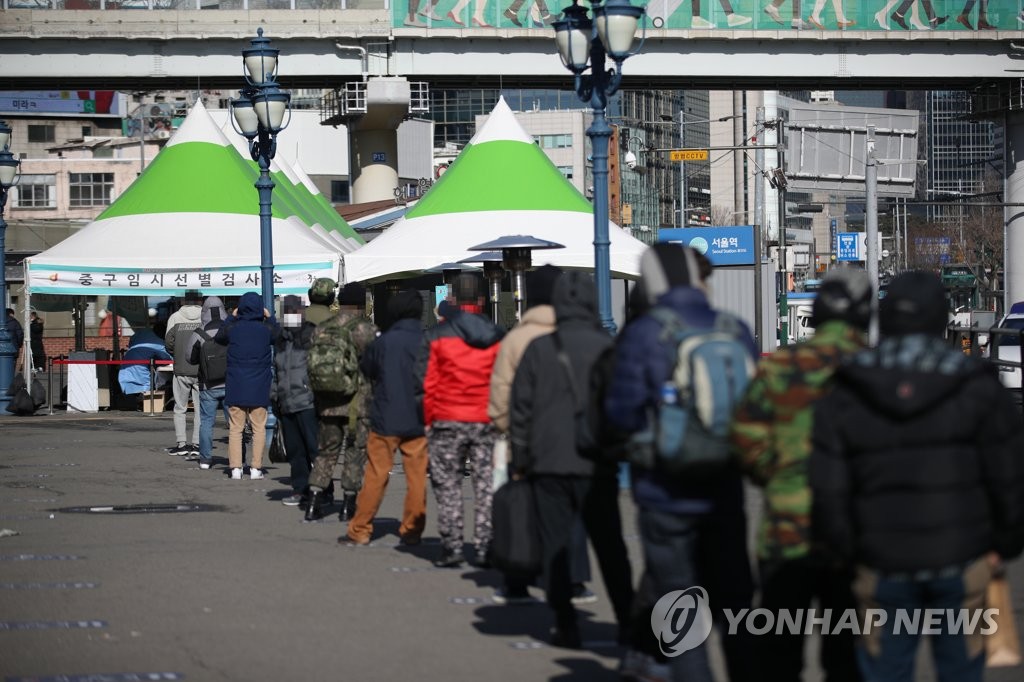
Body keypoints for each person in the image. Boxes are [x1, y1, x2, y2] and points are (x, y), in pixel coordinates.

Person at [810, 271, 1024, 682]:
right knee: (961, 669)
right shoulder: (978, 386)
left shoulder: (847, 388)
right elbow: (1008, 475)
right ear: (941, 320)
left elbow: (828, 487)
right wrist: (1005, 543)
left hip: (878, 559)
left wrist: (843, 550)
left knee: (884, 671)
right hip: (962, 558)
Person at [604, 243, 756, 682]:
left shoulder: (645, 334)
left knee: (682, 615)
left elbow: (621, 413)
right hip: (725, 489)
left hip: (665, 492)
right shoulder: (734, 328)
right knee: (737, 609)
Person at [730, 268, 872, 682]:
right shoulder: (874, 368)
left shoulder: (784, 365)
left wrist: (776, 474)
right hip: (854, 535)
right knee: (847, 655)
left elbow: (743, 435)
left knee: (777, 652)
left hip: (785, 533)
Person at [509, 271, 635, 649]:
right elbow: (624, 406)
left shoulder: (538, 349)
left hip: (547, 463)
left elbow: (520, 409)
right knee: (611, 545)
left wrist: (520, 459)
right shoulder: (608, 347)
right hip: (597, 462)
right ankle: (627, 621)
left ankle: (566, 623)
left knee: (556, 546)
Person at [488, 265, 596, 606]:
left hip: (526, 440)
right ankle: (574, 581)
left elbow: (502, 394)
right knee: (572, 514)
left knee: (520, 509)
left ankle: (517, 578)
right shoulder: (587, 334)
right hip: (578, 443)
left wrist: (508, 432)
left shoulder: (517, 338)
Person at [416, 273, 504, 568]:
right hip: (484, 418)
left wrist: (428, 418)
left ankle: (452, 546)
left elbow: (425, 382)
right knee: (485, 485)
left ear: (452, 299)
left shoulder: (437, 335)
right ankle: (485, 545)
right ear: (481, 300)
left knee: (448, 484)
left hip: (446, 417)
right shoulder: (495, 334)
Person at [345, 290, 429, 546]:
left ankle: (360, 529)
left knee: (376, 474)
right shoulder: (428, 339)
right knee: (416, 477)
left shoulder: (383, 341)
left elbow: (368, 369)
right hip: (418, 415)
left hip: (385, 415)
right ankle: (412, 529)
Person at [305, 282, 378, 522]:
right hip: (357, 402)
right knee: (355, 452)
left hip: (326, 402)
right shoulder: (366, 329)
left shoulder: (323, 328)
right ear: (361, 303)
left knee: (326, 452)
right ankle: (348, 504)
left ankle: (314, 501)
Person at [214, 292, 277, 480]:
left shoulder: (233, 329)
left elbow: (218, 337)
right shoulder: (266, 330)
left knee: (236, 428)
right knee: (259, 428)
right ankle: (256, 468)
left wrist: (230, 317)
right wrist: (270, 317)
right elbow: (281, 335)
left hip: (237, 384)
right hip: (259, 385)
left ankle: (235, 468)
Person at [270, 305, 318, 508]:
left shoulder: (311, 336)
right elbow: (276, 370)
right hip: (286, 402)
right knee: (295, 451)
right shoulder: (281, 340)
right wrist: (274, 393)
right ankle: (300, 490)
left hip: (307, 402)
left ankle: (322, 490)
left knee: (314, 449)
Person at [186, 296, 230, 471]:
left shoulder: (199, 333)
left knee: (206, 422)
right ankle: (238, 459)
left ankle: (205, 459)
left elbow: (189, 358)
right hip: (230, 383)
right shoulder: (231, 329)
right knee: (235, 423)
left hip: (207, 385)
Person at [165, 290, 203, 457]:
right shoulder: (205, 317)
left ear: (183, 301)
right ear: (200, 301)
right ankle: (197, 444)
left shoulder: (175, 317)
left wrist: (177, 353)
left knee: (180, 408)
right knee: (200, 409)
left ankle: (181, 444)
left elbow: (168, 343)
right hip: (201, 369)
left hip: (181, 368)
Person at [118, 328, 172, 401]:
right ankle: (142, 403)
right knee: (143, 384)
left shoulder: (143, 332)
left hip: (128, 358)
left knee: (129, 381)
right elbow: (166, 357)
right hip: (140, 364)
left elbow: (131, 340)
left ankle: (132, 402)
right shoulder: (158, 342)